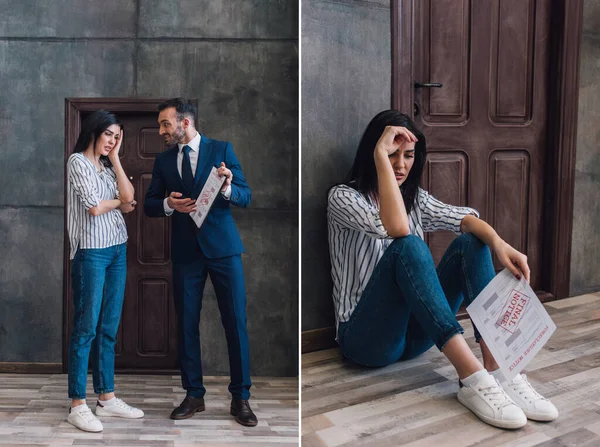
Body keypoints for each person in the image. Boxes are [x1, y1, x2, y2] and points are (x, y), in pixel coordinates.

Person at [327, 110, 558, 429]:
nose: (401, 165)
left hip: (415, 335)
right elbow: (396, 228)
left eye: (408, 155)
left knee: (472, 242)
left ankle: (498, 368)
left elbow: (462, 217)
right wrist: (380, 153)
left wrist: (498, 242)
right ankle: (472, 377)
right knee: (408, 247)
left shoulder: (415, 199)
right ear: (375, 152)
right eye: (392, 154)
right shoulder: (343, 198)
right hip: (367, 340)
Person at [144, 98, 257, 427]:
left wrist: (227, 188)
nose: (161, 131)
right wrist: (168, 203)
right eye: (160, 125)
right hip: (186, 253)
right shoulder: (164, 160)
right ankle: (194, 394)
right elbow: (151, 204)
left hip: (224, 250)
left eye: (166, 124)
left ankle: (241, 398)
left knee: (235, 322)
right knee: (187, 324)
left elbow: (246, 196)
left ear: (185, 123)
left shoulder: (222, 150)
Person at [66, 110, 144, 433]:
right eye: (108, 134)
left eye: (117, 135)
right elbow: (94, 207)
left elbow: (129, 199)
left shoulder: (110, 165)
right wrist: (116, 200)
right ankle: (77, 404)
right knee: (86, 328)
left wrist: (117, 160)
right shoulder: (77, 163)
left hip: (117, 250)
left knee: (108, 327)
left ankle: (106, 398)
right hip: (91, 252)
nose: (112, 140)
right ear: (94, 131)